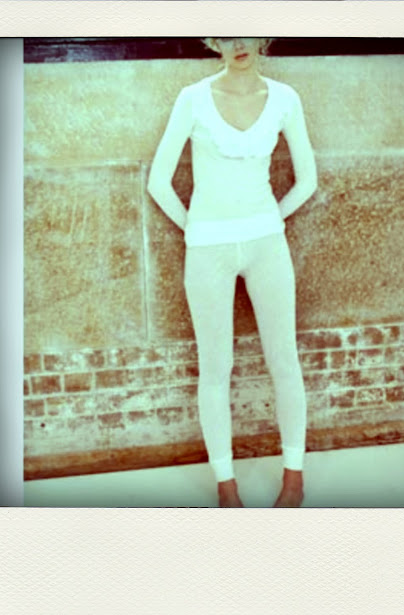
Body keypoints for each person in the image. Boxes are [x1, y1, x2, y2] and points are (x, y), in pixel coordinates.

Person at [148, 37, 317, 507]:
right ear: (213, 42)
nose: (238, 43)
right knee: (215, 368)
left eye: (246, 31)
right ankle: (227, 487)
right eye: (226, 35)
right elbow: (158, 181)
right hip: (208, 250)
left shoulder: (284, 98)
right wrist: (197, 229)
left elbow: (308, 179)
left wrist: (270, 220)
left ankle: (294, 479)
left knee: (284, 359)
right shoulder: (193, 98)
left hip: (267, 244)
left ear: (263, 35)